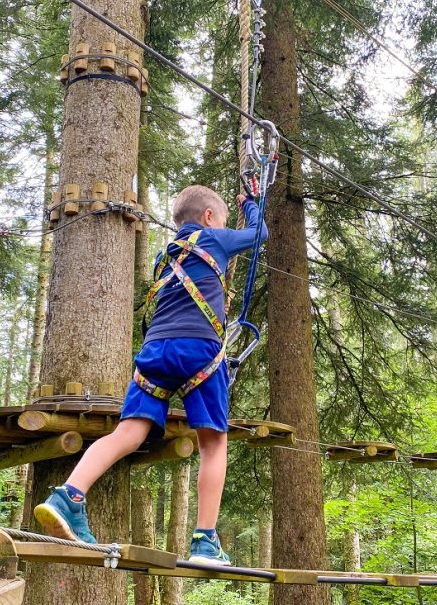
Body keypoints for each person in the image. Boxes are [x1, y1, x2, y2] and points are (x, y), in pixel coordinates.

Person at [34, 184, 268, 564]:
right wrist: (251, 205)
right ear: (209, 217)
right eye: (222, 219)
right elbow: (260, 236)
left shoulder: (167, 254)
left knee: (128, 432)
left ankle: (69, 496)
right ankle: (206, 541)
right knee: (212, 444)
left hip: (155, 350)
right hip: (198, 350)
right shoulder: (213, 238)